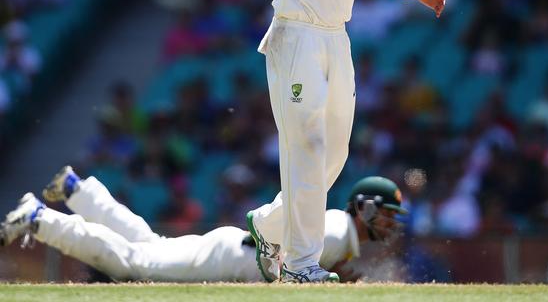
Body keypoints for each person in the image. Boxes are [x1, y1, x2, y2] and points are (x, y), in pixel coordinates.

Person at [139, 0, 444, 283]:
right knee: (307, 147)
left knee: (334, 155)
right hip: (295, 36)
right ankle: (302, 264)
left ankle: (266, 224)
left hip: (336, 39)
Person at [0, 167, 406, 283]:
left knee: (149, 244)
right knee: (133, 263)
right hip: (232, 260)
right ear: (366, 208)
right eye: (387, 212)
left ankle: (76, 190)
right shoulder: (337, 231)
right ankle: (41, 218)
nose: (391, 223)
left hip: (232, 252)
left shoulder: (337, 229)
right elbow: (284, 273)